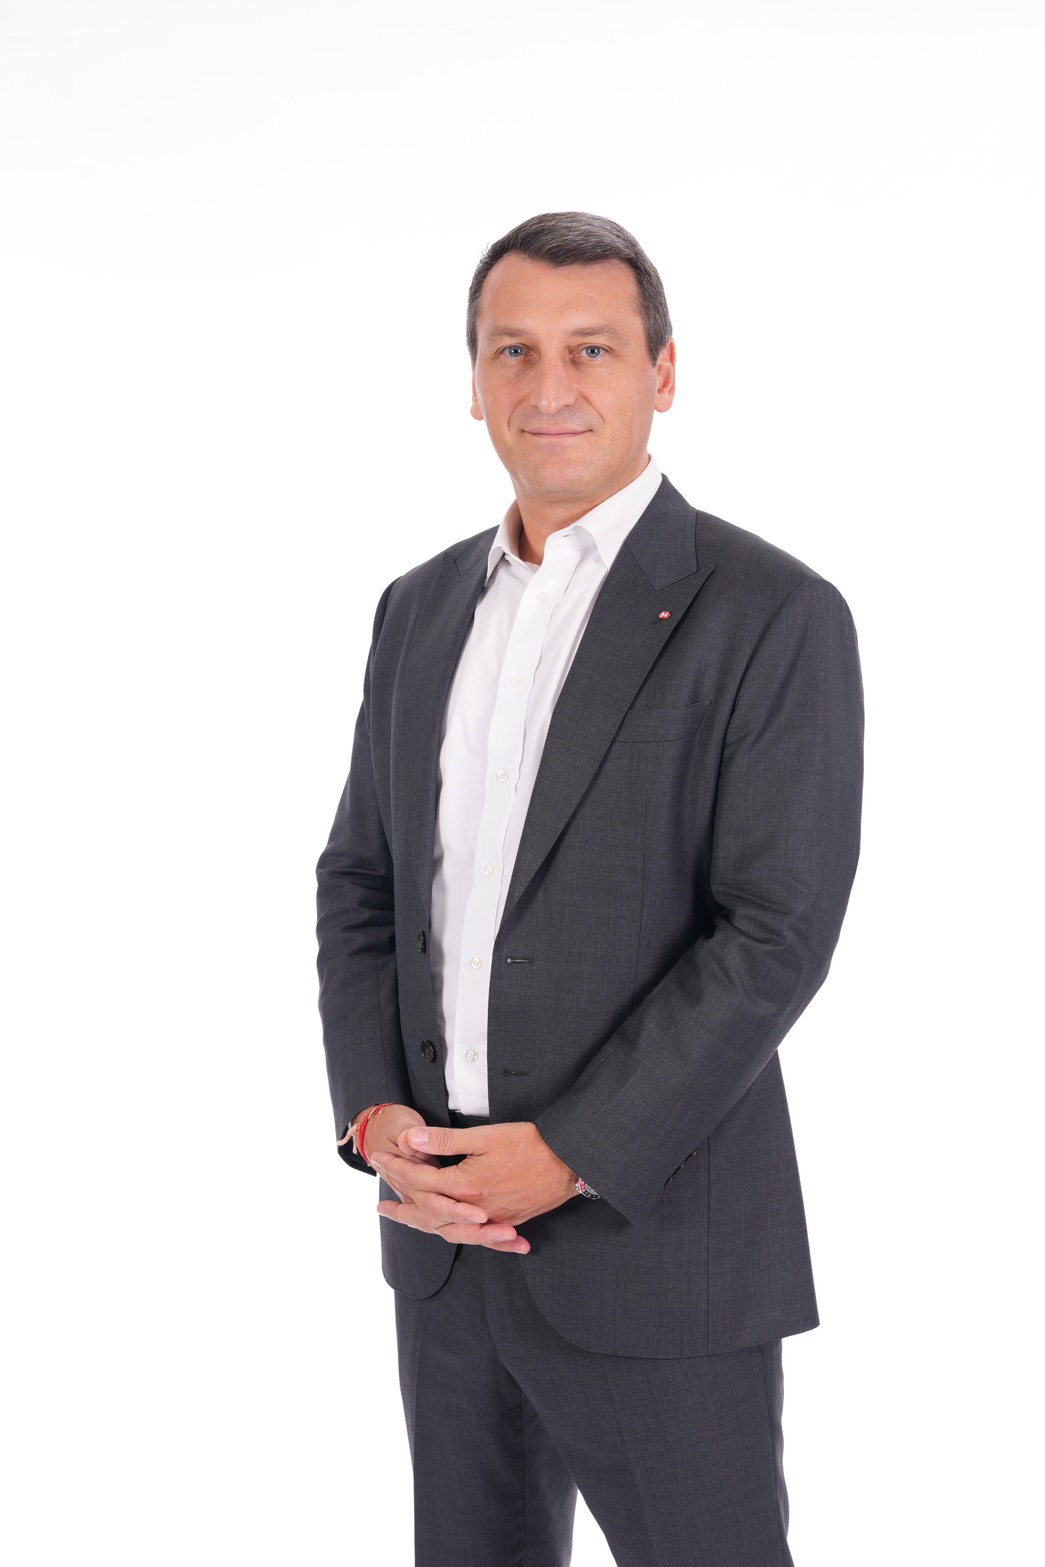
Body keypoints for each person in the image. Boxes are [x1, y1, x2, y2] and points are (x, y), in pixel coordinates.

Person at [316, 211, 863, 1567]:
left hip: (656, 1244)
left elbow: (773, 932)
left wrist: (568, 1150)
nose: (548, 385)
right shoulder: (416, 608)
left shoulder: (769, 612)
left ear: (661, 374)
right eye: (513, 350)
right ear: (473, 381)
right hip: (443, 1245)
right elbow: (362, 884)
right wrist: (375, 1116)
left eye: (592, 350)